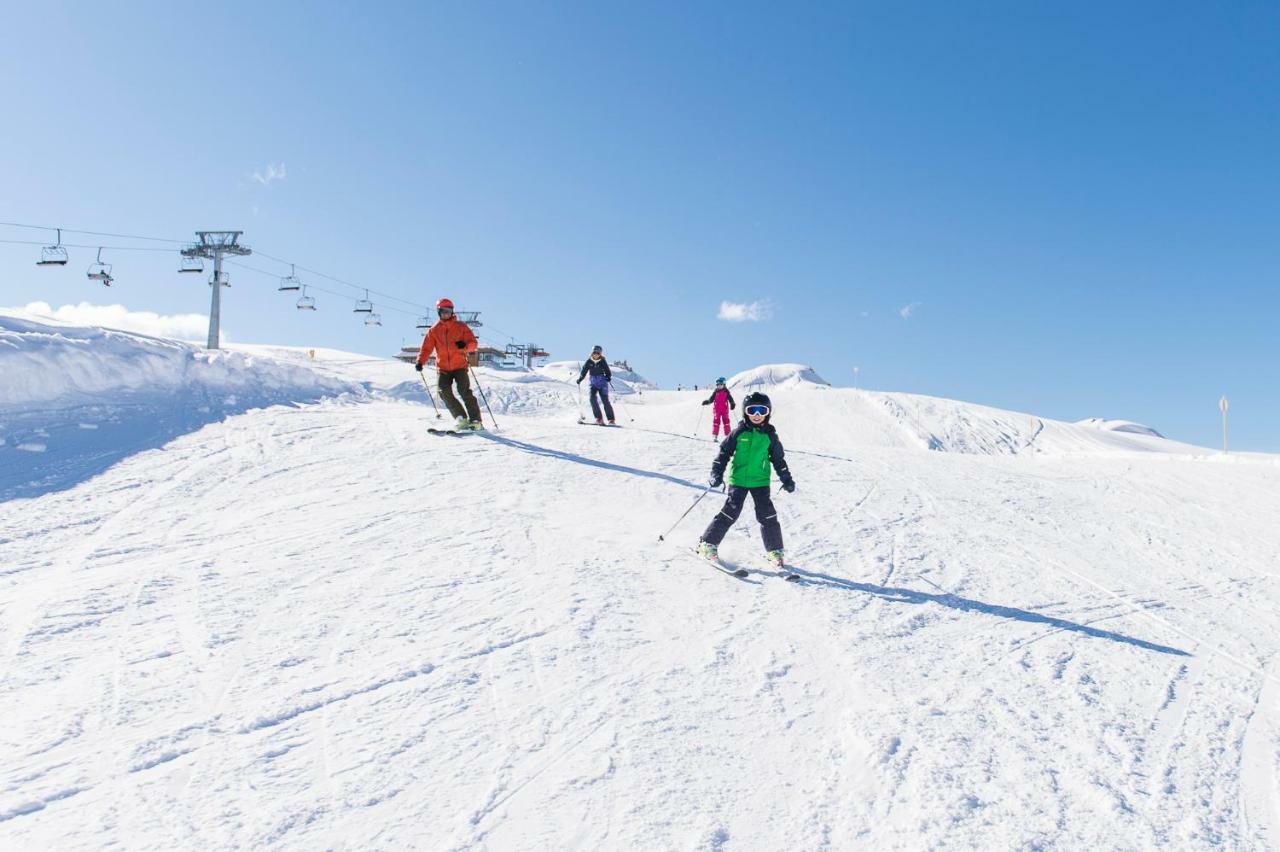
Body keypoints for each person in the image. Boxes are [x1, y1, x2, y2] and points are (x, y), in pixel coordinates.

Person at [697, 391, 796, 568]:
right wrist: (716, 473)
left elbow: (779, 460)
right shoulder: (738, 433)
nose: (757, 415)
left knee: (768, 515)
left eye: (762, 410)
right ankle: (707, 543)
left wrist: (786, 478)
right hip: (739, 480)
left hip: (760, 482)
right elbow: (723, 454)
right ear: (745, 412)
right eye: (752, 410)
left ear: (768, 413)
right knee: (730, 512)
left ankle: (775, 551)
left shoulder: (770, 436)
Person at [414, 298, 482, 430]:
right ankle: (461, 418)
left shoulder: (460, 327)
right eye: (443, 311)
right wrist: (420, 361)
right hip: (443, 367)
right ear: (439, 312)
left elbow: (473, 344)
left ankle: (476, 420)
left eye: (449, 311)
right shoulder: (434, 330)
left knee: (464, 391)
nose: (446, 314)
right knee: (443, 392)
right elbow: (426, 348)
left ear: (452, 312)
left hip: (460, 366)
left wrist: (465, 346)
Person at [576, 345, 615, 425]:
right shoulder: (589, 362)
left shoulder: (602, 361)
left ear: (600, 354)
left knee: (605, 400)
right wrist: (580, 379)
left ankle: (611, 419)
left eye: (598, 353)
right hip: (593, 383)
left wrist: (608, 377)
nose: (596, 355)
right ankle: (598, 418)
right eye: (594, 353)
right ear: (592, 353)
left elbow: (608, 371)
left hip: (602, 383)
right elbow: (584, 371)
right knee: (592, 398)